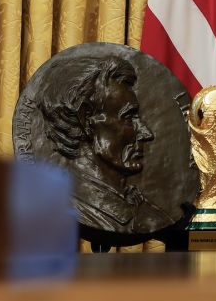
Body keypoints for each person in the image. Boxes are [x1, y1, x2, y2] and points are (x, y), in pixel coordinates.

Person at [40, 55, 177, 233]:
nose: (146, 133)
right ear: (86, 119)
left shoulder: (148, 214)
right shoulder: (60, 202)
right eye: (129, 117)